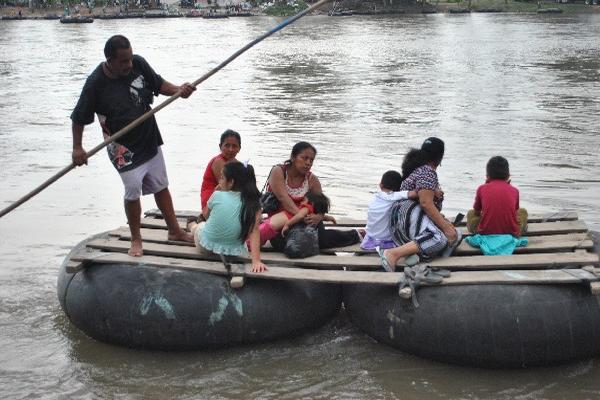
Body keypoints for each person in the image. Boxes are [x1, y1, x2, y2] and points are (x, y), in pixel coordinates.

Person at [70, 35, 197, 257]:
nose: (129, 65)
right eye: (123, 62)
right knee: (132, 191)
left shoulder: (138, 63)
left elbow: (159, 84)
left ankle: (175, 231)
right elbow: (79, 117)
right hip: (123, 148)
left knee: (161, 184)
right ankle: (136, 239)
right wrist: (78, 148)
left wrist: (179, 90)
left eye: (130, 59)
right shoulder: (95, 83)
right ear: (109, 60)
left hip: (148, 135)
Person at [378, 137, 460, 271]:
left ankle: (412, 252)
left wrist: (443, 222)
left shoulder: (414, 169)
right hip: (407, 216)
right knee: (439, 239)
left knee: (453, 233)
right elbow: (426, 203)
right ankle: (393, 254)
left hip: (398, 224)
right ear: (440, 158)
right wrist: (445, 227)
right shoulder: (428, 172)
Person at [266, 142, 363, 250]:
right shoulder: (278, 172)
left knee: (320, 240)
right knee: (283, 243)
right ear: (293, 157)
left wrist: (319, 217)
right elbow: (283, 198)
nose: (308, 163)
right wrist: (301, 216)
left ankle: (356, 234)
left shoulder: (312, 180)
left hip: (307, 222)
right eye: (304, 158)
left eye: (311, 160)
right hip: (281, 223)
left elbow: (321, 205)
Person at [187, 162, 267, 273]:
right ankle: (193, 226)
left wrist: (216, 191)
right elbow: (254, 231)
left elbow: (206, 215)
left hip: (205, 247)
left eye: (221, 178)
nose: (219, 181)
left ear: (231, 182)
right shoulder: (254, 203)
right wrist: (256, 261)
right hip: (234, 252)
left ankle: (192, 225)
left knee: (200, 226)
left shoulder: (217, 195)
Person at [467, 156, 528, 237]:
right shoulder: (515, 190)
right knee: (523, 212)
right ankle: (524, 228)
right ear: (508, 176)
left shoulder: (481, 188)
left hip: (484, 233)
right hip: (511, 234)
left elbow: (476, 212)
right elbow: (515, 213)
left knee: (470, 213)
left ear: (487, 176)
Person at [361, 170, 419, 250]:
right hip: (385, 241)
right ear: (399, 188)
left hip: (370, 239)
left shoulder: (376, 196)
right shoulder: (395, 195)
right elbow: (416, 193)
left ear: (380, 185)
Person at [258, 190, 334, 246]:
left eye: (304, 200)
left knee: (262, 231)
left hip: (283, 225)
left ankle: (251, 244)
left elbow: (300, 215)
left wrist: (288, 224)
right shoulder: (312, 211)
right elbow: (324, 217)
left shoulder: (306, 207)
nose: (301, 202)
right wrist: (330, 218)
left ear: (312, 203)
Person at [200, 129, 241, 219]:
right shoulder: (218, 161)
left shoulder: (236, 163)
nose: (230, 149)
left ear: (239, 148)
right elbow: (228, 188)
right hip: (210, 204)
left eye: (234, 146)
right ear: (220, 146)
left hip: (224, 200)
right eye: (227, 145)